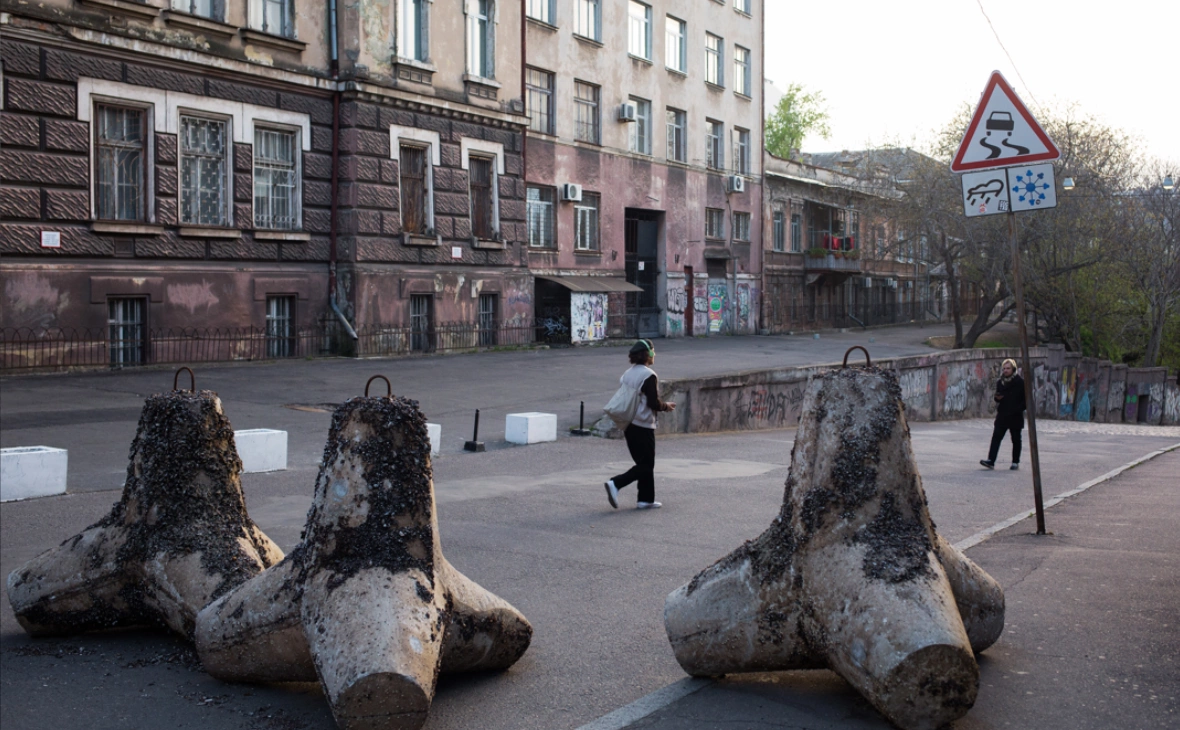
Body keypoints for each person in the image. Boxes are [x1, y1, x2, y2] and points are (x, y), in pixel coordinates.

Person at [604, 339, 676, 509]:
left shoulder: (628, 373)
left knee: (644, 462)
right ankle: (616, 483)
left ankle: (645, 499)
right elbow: (653, 403)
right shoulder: (649, 375)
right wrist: (666, 406)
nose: (655, 354)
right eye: (653, 351)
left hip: (629, 423)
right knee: (646, 465)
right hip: (643, 425)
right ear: (648, 354)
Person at [980, 358, 1026, 470]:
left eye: (1008, 368)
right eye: (1004, 368)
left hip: (1015, 415)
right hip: (1003, 415)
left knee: (1016, 439)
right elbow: (998, 397)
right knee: (996, 437)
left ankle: (1015, 462)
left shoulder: (1020, 382)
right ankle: (991, 460)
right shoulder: (1000, 382)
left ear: (1013, 369)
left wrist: (1018, 409)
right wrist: (997, 398)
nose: (1005, 370)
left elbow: (1026, 401)